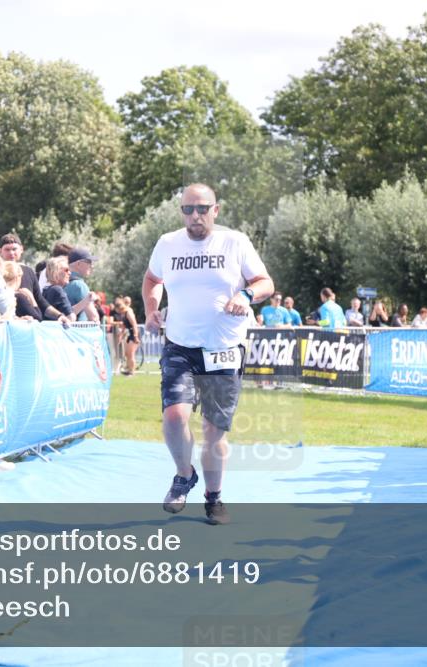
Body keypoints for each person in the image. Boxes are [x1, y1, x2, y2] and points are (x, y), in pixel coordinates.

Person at [142, 183, 274, 525]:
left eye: (202, 209)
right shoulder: (167, 243)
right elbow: (152, 279)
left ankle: (213, 498)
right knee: (174, 417)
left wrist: (245, 296)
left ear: (215, 210)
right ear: (182, 212)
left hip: (224, 348)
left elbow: (265, 282)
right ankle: (184, 474)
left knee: (214, 431)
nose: (195, 216)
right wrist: (151, 309)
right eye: (188, 209)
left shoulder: (235, 242)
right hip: (180, 345)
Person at [42, 255, 93, 321]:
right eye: (66, 270)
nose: (69, 273)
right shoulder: (58, 290)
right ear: (56, 272)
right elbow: (70, 317)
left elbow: (65, 312)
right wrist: (87, 300)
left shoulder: (46, 290)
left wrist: (86, 301)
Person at [65, 247, 100, 322]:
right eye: (89, 262)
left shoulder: (60, 281)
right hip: (77, 329)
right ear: (78, 264)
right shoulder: (79, 285)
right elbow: (94, 318)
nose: (92, 266)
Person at [114, 296, 141, 375]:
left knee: (131, 354)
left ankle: (132, 372)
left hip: (134, 334)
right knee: (127, 353)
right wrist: (121, 335)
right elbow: (124, 326)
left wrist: (135, 336)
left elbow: (134, 324)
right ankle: (129, 369)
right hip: (129, 334)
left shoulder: (128, 312)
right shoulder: (123, 313)